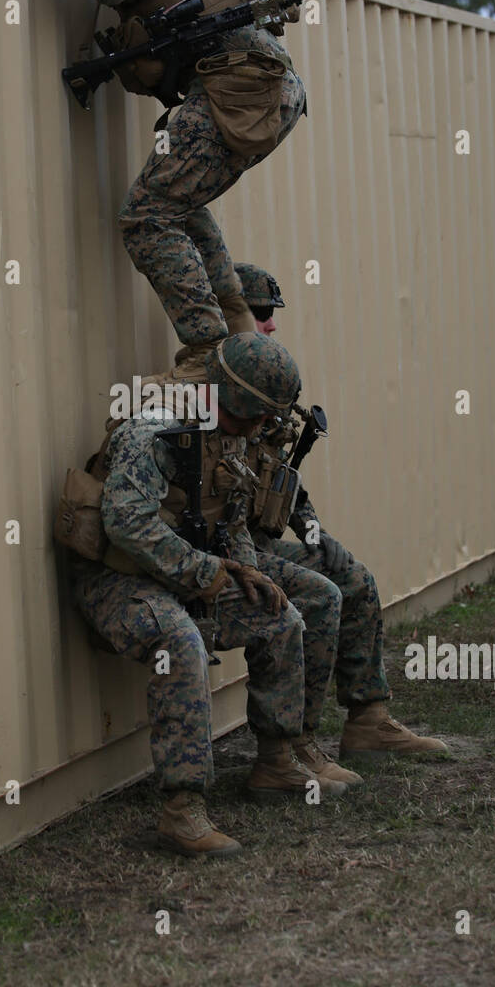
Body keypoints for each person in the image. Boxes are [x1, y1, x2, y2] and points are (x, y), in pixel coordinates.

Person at [59, 334, 347, 860]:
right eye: (256, 416)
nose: (261, 428)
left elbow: (232, 516)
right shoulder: (155, 429)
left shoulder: (229, 431)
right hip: (116, 580)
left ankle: (277, 760)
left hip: (188, 571)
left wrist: (247, 571)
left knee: (279, 616)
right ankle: (182, 809)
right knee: (181, 641)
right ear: (229, 398)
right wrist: (205, 571)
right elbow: (126, 523)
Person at [32, 0, 306, 376]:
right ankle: (238, 333)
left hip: (235, 88)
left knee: (147, 215)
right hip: (271, 90)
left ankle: (207, 354)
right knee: (179, 202)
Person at [234, 262, 450, 768]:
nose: (271, 324)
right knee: (320, 595)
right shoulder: (216, 392)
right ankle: (298, 744)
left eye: (272, 314)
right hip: (227, 554)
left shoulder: (266, 384)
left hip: (260, 543)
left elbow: (282, 475)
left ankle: (369, 721)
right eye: (261, 313)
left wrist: (312, 531)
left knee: (352, 577)